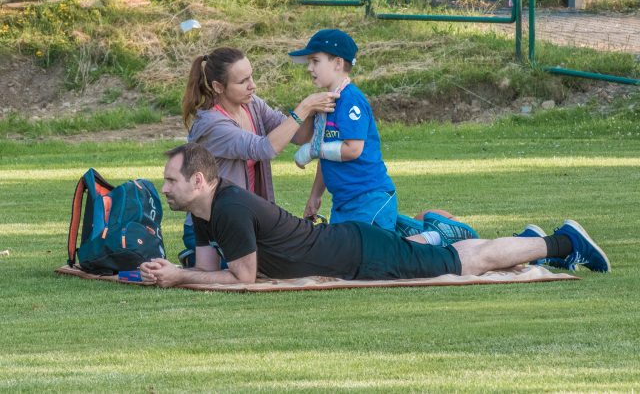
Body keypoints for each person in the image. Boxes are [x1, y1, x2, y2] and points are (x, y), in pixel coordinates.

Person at [139, 143, 611, 287]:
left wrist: (179, 277)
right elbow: (206, 269)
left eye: (171, 181)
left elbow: (242, 278)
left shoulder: (230, 207)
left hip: (361, 255)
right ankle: (528, 243)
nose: (165, 188)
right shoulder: (205, 209)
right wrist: (174, 272)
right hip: (351, 244)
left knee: (466, 262)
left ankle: (563, 241)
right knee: (453, 254)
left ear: (198, 181)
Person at [179, 46, 339, 266]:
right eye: (243, 81)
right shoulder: (211, 124)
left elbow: (298, 134)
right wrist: (305, 107)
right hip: (212, 225)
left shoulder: (252, 104)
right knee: (257, 269)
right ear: (218, 87)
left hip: (245, 220)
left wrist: (316, 111)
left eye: (251, 76)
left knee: (291, 259)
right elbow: (264, 148)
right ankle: (195, 256)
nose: (252, 85)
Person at [287, 29, 399, 233]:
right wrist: (315, 196)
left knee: (373, 252)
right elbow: (328, 155)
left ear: (338, 63)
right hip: (343, 202)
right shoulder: (326, 102)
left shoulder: (350, 100)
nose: (309, 68)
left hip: (368, 199)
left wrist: (312, 150)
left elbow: (353, 149)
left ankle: (430, 238)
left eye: (315, 61)